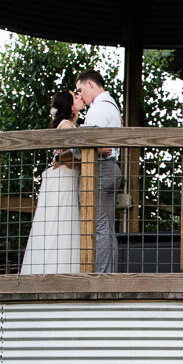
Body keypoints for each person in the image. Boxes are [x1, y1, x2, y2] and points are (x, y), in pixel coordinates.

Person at [19, 86, 84, 274]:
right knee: (62, 224)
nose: (78, 97)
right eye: (74, 96)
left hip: (68, 177)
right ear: (69, 106)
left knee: (62, 225)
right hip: (65, 178)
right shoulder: (66, 125)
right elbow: (66, 155)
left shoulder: (70, 125)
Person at [73, 69, 124, 274]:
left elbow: (88, 145)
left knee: (99, 227)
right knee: (107, 227)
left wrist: (74, 146)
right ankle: (108, 271)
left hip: (101, 169)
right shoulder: (111, 105)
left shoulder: (98, 109)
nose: (80, 96)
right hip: (112, 168)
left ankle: (102, 274)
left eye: (81, 89)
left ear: (91, 85)